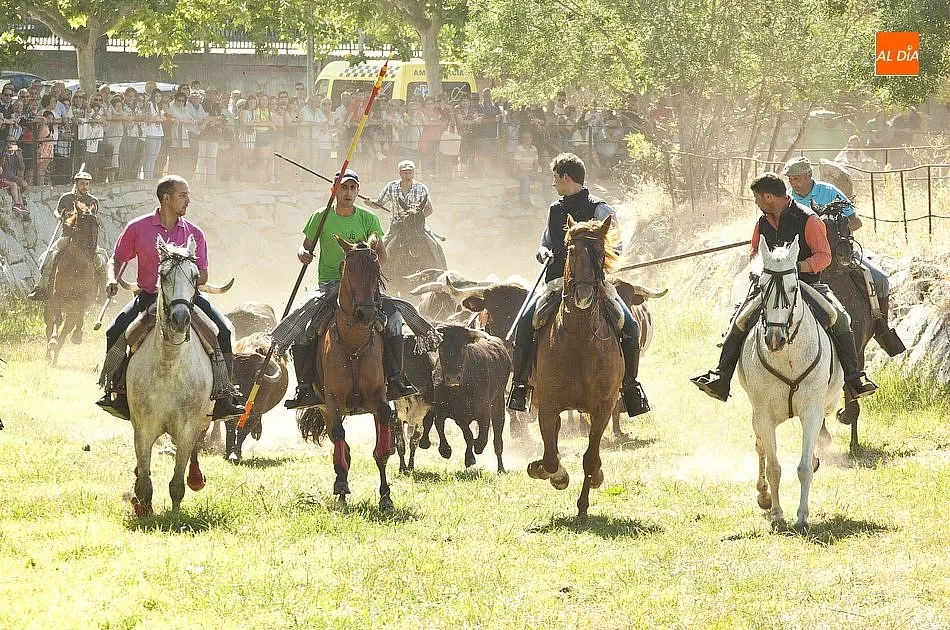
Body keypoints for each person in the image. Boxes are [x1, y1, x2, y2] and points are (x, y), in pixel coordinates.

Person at [690, 172, 878, 402]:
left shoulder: (809, 220)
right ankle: (721, 377)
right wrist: (757, 267)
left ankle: (853, 379)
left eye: (757, 198)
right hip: (769, 286)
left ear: (768, 197)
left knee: (840, 318)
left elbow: (824, 256)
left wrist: (796, 268)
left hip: (806, 284)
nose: (757, 203)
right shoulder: (762, 222)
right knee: (738, 319)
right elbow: (755, 252)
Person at [507, 153, 650, 416]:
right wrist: (544, 253)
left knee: (630, 327)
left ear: (565, 177)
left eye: (554, 178)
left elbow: (617, 245)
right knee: (524, 327)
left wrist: (597, 257)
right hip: (558, 284)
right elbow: (545, 242)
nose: (553, 184)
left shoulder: (600, 209)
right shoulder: (554, 209)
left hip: (595, 285)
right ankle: (521, 386)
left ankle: (630, 387)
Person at [95, 175, 245, 421]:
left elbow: (204, 273)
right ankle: (118, 393)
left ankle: (224, 396)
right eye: (182, 195)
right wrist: (112, 279)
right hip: (149, 298)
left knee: (224, 331)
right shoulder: (138, 227)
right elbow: (117, 259)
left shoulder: (194, 233)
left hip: (188, 301)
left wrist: (186, 278)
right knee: (115, 330)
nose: (188, 200)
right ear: (166, 198)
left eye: (187, 195)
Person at [281, 168, 420, 408]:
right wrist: (303, 254)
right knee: (303, 328)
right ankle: (305, 388)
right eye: (343, 187)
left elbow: (382, 254)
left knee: (395, 320)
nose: (348, 192)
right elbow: (305, 246)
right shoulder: (320, 217)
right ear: (334, 190)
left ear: (357, 191)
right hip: (329, 285)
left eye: (352, 188)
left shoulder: (369, 219)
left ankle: (396, 379)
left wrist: (370, 267)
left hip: (365, 289)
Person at [782, 157, 902, 354]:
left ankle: (882, 329)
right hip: (802, 257)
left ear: (809, 175)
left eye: (796, 178)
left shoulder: (828, 192)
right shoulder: (787, 199)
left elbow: (855, 221)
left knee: (881, 279)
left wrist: (832, 231)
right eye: (790, 179)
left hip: (839, 251)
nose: (793, 183)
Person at [28, 166, 103, 300]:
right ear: (76, 184)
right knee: (49, 257)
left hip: (87, 240)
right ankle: (41, 288)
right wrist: (60, 216)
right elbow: (57, 210)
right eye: (82, 183)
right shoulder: (66, 198)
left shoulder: (93, 201)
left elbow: (93, 216)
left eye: (87, 184)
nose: (85, 186)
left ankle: (103, 293)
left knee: (102, 259)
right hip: (68, 235)